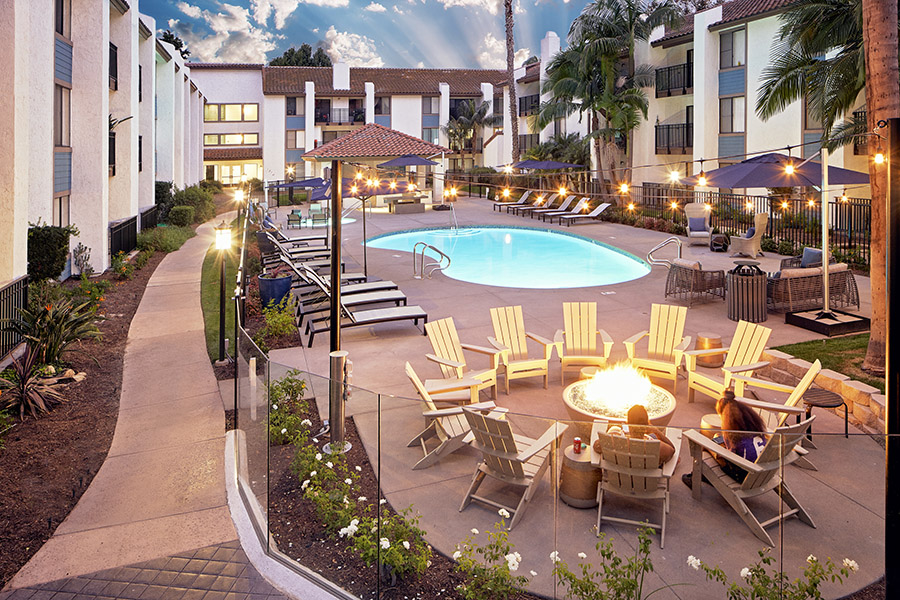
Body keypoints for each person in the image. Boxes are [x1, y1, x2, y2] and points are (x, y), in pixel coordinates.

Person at [682, 389, 768, 489]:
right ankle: (704, 474)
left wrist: (711, 446)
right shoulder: (752, 425)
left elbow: (729, 456)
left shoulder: (732, 435)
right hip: (760, 472)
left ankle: (695, 477)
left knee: (705, 446)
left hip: (742, 475)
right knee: (717, 438)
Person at [591, 405, 676, 467]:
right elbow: (672, 450)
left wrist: (612, 434)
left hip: (621, 480)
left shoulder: (617, 441)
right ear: (647, 424)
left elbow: (596, 446)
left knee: (614, 428)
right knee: (653, 436)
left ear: (628, 423)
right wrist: (655, 430)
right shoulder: (656, 446)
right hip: (644, 483)